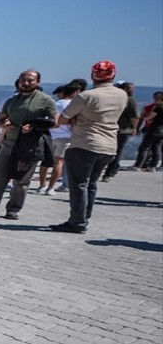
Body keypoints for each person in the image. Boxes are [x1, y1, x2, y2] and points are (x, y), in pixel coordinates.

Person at [49, 61, 128, 234]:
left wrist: (76, 119)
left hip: (85, 143)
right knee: (91, 183)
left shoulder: (86, 96)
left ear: (93, 75)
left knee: (78, 185)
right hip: (109, 145)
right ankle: (85, 217)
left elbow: (62, 119)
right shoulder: (122, 95)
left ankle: (77, 221)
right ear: (113, 75)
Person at [0, 70, 57, 222]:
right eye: (23, 80)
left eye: (30, 80)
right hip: (10, 143)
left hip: (30, 145)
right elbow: (0, 120)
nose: (26, 83)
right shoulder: (12, 101)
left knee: (22, 180)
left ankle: (13, 209)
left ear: (38, 82)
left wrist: (34, 126)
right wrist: (5, 124)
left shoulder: (45, 100)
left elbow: (55, 122)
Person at [35, 83, 77, 195]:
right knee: (59, 162)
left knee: (47, 161)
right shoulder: (72, 105)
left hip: (52, 134)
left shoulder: (54, 104)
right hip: (67, 136)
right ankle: (51, 187)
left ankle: (42, 185)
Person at [100, 82, 138, 181]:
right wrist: (134, 128)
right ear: (125, 88)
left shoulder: (112, 98)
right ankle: (108, 173)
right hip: (123, 130)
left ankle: (101, 171)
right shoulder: (130, 101)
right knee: (117, 152)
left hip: (108, 127)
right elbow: (134, 117)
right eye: (131, 88)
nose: (133, 90)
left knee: (104, 151)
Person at [131, 91, 163, 171]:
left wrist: (150, 117)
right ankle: (152, 166)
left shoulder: (158, 108)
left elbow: (148, 118)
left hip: (154, 129)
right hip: (162, 130)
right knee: (157, 148)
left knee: (144, 148)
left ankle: (138, 165)